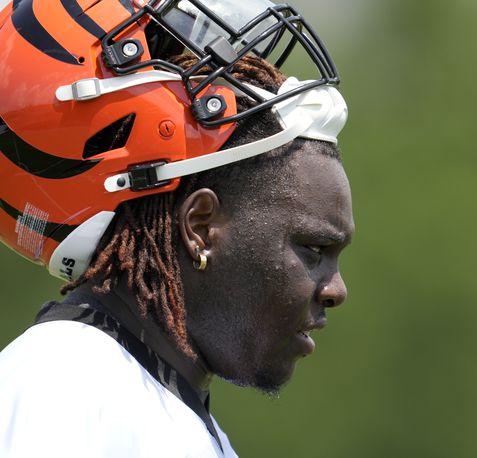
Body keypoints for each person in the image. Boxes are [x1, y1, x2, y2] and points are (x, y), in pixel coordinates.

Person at [0, 0, 353, 456]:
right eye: (311, 248)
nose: (337, 290)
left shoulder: (150, 404)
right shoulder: (63, 387)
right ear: (200, 226)